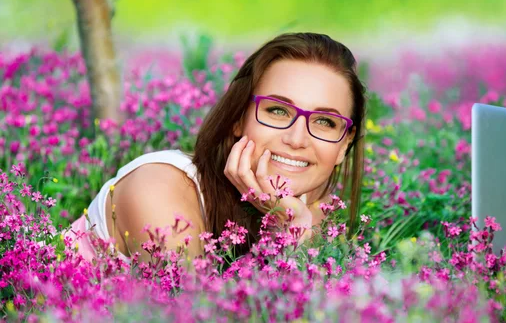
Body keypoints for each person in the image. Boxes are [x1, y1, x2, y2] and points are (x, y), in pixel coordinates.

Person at [65, 32, 366, 263]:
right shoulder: (158, 186)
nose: (297, 139)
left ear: (344, 144)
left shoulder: (312, 212)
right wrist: (293, 233)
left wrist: (290, 225)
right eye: (277, 111)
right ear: (237, 118)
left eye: (325, 121)